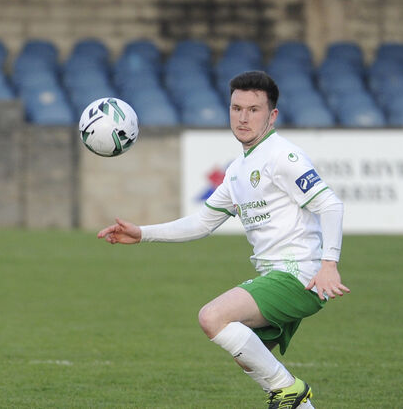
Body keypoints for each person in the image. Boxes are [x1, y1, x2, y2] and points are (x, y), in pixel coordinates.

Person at [97, 70, 349, 409]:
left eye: (254, 110)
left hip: (299, 276)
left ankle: (291, 390)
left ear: (272, 115)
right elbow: (202, 223)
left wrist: (329, 264)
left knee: (212, 317)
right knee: (248, 356)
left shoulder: (283, 157)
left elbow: (330, 204)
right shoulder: (237, 170)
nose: (243, 118)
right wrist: (142, 234)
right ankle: (297, 401)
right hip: (277, 275)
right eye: (236, 108)